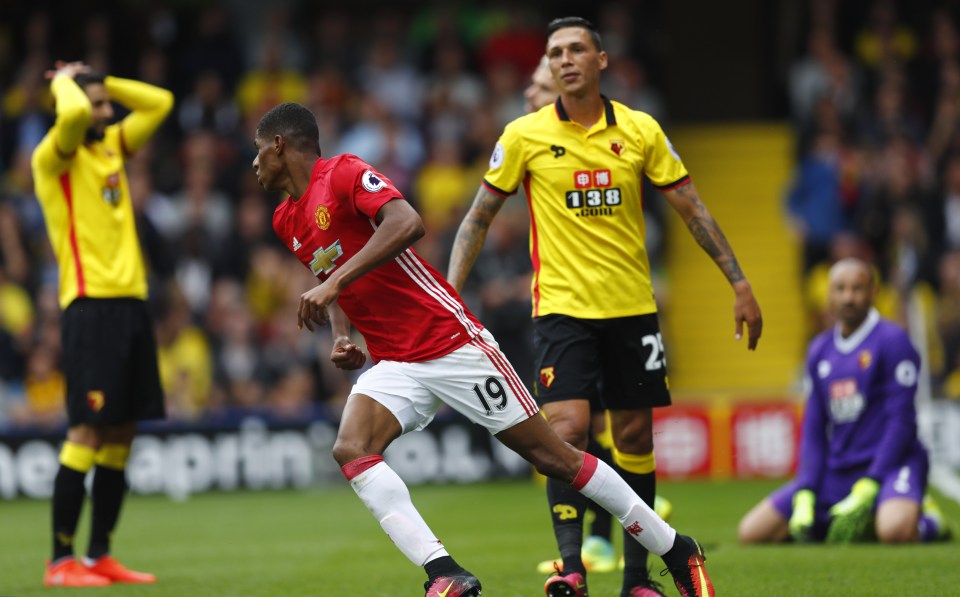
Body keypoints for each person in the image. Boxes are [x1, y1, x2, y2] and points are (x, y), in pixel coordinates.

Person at [252, 101, 715, 597]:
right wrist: (342, 336)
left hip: (448, 340)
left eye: (258, 153)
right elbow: (334, 277)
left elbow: (407, 222)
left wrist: (333, 285)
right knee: (351, 448)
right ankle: (445, 573)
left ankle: (675, 548)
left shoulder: (343, 173)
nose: (254, 165)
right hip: (395, 360)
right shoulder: (286, 219)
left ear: (280, 145)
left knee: (554, 457)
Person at [447, 17, 760, 597]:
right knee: (565, 433)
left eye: (575, 50)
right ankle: (571, 567)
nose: (565, 60)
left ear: (601, 60)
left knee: (636, 436)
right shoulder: (523, 135)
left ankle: (638, 580)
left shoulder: (640, 130)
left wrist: (738, 283)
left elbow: (692, 208)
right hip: (561, 311)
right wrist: (450, 291)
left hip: (632, 310)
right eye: (555, 52)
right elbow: (478, 218)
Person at [524, 55, 673, 578]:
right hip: (560, 307)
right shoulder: (530, 146)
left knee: (613, 434)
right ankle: (589, 551)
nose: (531, 98)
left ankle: (614, 543)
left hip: (619, 306)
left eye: (537, 90)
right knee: (577, 432)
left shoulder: (619, 138)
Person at [31, 61, 174, 586]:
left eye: (107, 103)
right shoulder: (54, 154)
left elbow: (160, 102)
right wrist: (64, 80)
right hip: (90, 306)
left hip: (131, 303)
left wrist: (102, 81)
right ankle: (59, 561)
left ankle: (97, 556)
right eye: (97, 104)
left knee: (122, 431)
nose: (106, 111)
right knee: (87, 429)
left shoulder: (111, 143)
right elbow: (69, 112)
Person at [737, 257, 951, 545]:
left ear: (873, 292)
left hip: (892, 464)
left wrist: (872, 481)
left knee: (894, 531)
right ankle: (843, 520)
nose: (848, 297)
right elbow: (814, 425)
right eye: (840, 289)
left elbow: (901, 420)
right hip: (839, 469)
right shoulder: (819, 350)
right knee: (752, 532)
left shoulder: (893, 340)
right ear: (829, 294)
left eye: (857, 289)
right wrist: (806, 489)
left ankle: (928, 521)